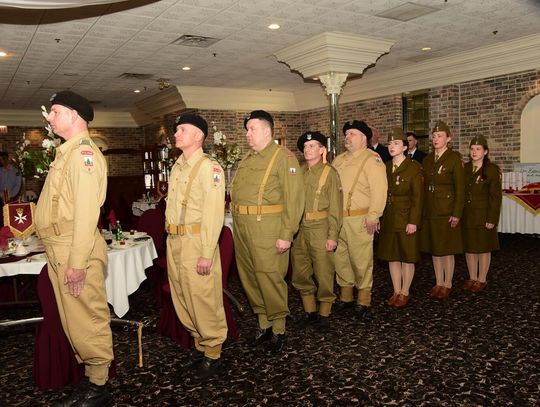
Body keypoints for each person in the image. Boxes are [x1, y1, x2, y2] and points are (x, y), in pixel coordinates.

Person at [34, 91, 113, 407]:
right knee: (73, 320)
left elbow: (86, 214)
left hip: (73, 249)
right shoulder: (66, 153)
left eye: (55, 111)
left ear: (74, 115)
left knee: (87, 319)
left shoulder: (83, 155)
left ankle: (99, 386)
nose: (49, 118)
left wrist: (77, 263)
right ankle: (92, 377)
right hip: (60, 247)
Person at [231, 110, 304, 354]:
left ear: (267, 131)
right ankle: (264, 324)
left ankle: (279, 329)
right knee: (250, 277)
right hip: (243, 228)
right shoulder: (248, 158)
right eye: (247, 130)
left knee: (270, 277)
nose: (247, 134)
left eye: (252, 129)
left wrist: (287, 233)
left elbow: (294, 199)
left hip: (268, 230)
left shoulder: (283, 157)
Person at [165, 113, 227, 378]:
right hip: (175, 241)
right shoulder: (178, 166)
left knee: (202, 298)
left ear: (199, 136)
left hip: (196, 242)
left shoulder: (209, 168)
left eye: (182, 129)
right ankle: (200, 344)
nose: (176, 134)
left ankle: (213, 351)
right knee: (182, 297)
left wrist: (206, 253)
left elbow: (214, 215)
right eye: (176, 130)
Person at [332, 120, 387, 319]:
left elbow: (379, 190)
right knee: (341, 259)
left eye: (352, 134)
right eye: (346, 134)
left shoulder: (372, 160)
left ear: (364, 138)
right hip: (339, 219)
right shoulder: (338, 160)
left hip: (360, 219)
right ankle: (346, 297)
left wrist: (374, 216)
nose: (347, 137)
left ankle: (363, 300)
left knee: (361, 260)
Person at [291, 131, 342, 330]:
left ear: (322, 150)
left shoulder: (330, 173)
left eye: (312, 146)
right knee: (301, 271)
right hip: (300, 229)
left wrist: (333, 236)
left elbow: (336, 208)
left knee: (324, 272)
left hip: (321, 228)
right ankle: (309, 310)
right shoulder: (299, 172)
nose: (307, 149)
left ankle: (324, 313)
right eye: (305, 146)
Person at [378, 128, 423, 308]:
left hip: (406, 217)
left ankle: (405, 291)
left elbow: (418, 198)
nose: (391, 146)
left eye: (396, 143)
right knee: (392, 255)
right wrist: (379, 217)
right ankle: (396, 290)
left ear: (405, 147)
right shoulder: (385, 166)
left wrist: (413, 221)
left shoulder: (413, 167)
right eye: (389, 143)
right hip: (389, 216)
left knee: (407, 255)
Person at [420, 121, 464, 299]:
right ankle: (439, 281)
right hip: (431, 209)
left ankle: (448, 283)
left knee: (447, 248)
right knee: (435, 248)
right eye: (434, 136)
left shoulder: (454, 158)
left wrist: (457, 213)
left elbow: (460, 189)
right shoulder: (427, 159)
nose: (435, 139)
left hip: (447, 210)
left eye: (440, 136)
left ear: (448, 139)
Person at [462, 135, 502, 292]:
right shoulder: (465, 168)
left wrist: (492, 218)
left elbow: (495, 197)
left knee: (483, 247)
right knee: (470, 247)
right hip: (467, 214)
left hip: (483, 214)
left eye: (478, 149)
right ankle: (472, 276)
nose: (474, 152)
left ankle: (482, 278)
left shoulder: (491, 169)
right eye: (472, 149)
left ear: (485, 151)